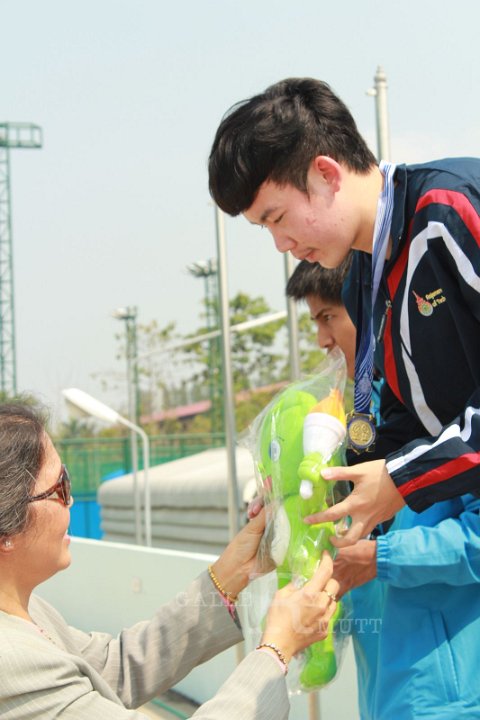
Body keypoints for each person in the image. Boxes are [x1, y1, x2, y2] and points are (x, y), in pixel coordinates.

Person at [208, 77, 480, 545]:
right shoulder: (362, 276)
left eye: (276, 218)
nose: (281, 245)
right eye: (263, 229)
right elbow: (408, 420)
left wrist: (401, 478)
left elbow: (406, 464)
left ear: (326, 174)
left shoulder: (450, 211)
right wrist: (316, 487)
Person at [0, 402, 340, 720]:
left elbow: (116, 669)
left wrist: (231, 574)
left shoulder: (29, 614)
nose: (71, 499)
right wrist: (275, 649)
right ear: (6, 532)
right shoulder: (13, 663)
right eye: (60, 487)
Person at [283, 259, 480, 718]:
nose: (322, 340)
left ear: (372, 311)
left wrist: (381, 559)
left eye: (329, 316)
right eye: (314, 321)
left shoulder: (448, 409)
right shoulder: (344, 422)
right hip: (382, 697)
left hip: (453, 698)